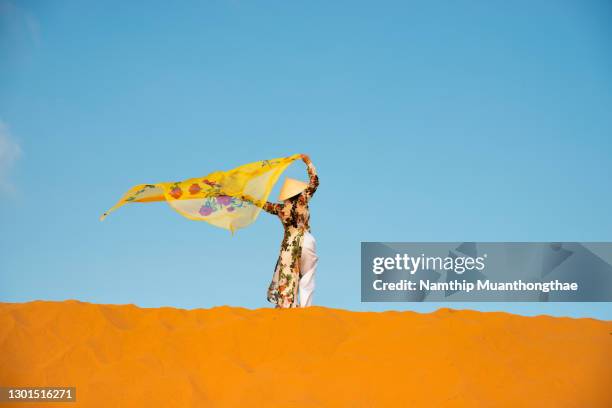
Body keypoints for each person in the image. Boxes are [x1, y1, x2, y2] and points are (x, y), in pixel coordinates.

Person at [240, 154, 319, 308]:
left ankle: (289, 309)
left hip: (289, 245)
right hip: (306, 240)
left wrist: (247, 197)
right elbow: (315, 182)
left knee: (289, 277)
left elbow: (264, 204)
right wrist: (308, 162)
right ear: (298, 192)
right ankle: (306, 310)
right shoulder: (303, 201)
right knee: (307, 276)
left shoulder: (281, 209)